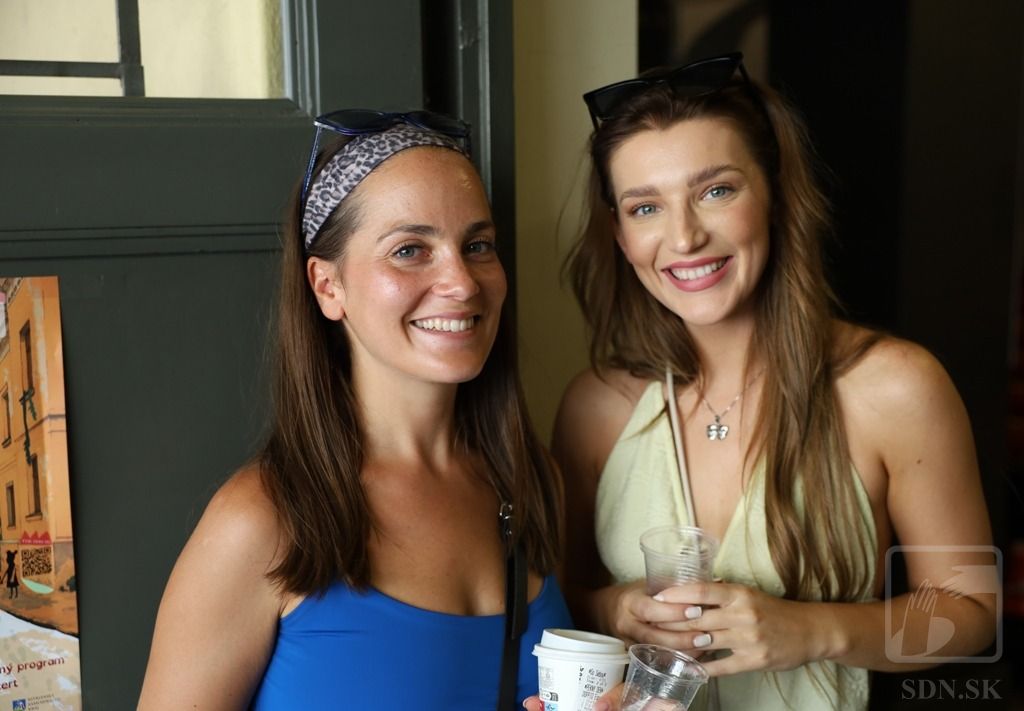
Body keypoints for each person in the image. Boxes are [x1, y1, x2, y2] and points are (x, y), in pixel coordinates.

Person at [529, 52, 996, 711]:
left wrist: (810, 630)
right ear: (620, 233)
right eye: (645, 207)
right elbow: (562, 597)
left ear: (773, 193)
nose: (684, 237)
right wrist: (615, 609)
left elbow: (972, 613)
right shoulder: (595, 406)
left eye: (716, 191)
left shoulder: (895, 388)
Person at [138, 110, 571, 709]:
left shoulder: (532, 479)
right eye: (410, 250)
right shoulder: (260, 521)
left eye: (477, 246)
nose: (463, 282)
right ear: (328, 286)